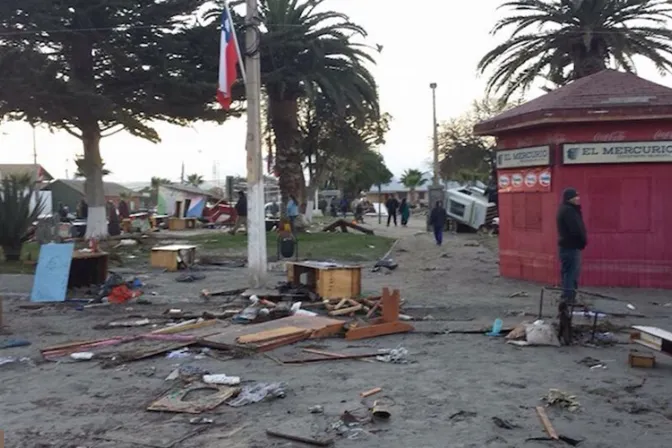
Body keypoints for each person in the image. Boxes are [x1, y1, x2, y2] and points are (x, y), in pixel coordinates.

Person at [556, 187, 587, 305]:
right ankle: (568, 298)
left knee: (568, 272)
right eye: (575, 196)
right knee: (571, 273)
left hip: (567, 246)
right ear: (570, 198)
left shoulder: (565, 209)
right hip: (571, 247)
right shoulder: (569, 211)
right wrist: (582, 241)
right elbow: (576, 230)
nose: (578, 198)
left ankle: (568, 296)